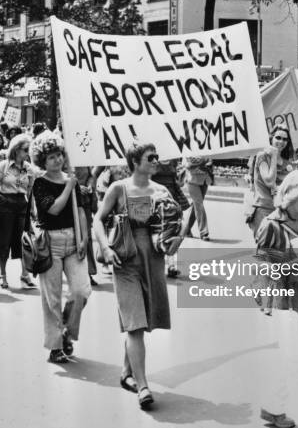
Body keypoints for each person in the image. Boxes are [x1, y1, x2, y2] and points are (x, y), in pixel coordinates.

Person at [94, 143, 184, 410]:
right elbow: (98, 219)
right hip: (125, 258)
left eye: (157, 156)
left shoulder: (162, 190)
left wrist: (174, 239)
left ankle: (126, 371)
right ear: (135, 162)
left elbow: (175, 222)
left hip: (153, 259)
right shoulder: (118, 188)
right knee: (134, 323)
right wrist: (106, 248)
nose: (156, 161)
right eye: (150, 157)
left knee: (143, 320)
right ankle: (143, 386)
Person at [255, 170, 298, 428]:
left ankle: (273, 407)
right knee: (294, 358)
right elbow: (262, 265)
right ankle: (285, 409)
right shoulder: (270, 224)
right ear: (288, 197)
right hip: (283, 297)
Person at [29, 131, 91, 364]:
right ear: (42, 161)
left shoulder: (70, 179)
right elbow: (53, 209)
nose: (57, 160)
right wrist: (69, 186)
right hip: (51, 242)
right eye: (51, 157)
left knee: (81, 291)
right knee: (52, 298)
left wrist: (84, 238)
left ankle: (66, 332)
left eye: (59, 155)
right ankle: (55, 347)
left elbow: (82, 211)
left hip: (73, 240)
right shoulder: (40, 183)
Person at [0, 134, 36, 289]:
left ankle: (25, 274)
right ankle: (2, 274)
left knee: (24, 241)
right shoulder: (3, 166)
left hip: (21, 204)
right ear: (16, 150)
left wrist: (32, 209)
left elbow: (30, 191)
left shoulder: (29, 168)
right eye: (25, 150)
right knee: (3, 241)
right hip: (5, 204)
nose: (27, 153)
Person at [248, 125, 294, 238]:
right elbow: (269, 181)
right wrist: (273, 156)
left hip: (282, 210)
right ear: (271, 138)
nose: (281, 141)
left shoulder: (287, 163)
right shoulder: (262, 156)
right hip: (264, 208)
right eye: (278, 137)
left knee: (280, 248)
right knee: (265, 247)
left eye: (285, 139)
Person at [151, 158, 190, 277]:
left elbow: (177, 178)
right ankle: (157, 264)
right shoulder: (152, 158)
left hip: (171, 195)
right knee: (156, 229)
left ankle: (172, 265)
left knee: (173, 229)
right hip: (156, 196)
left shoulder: (173, 156)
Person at [183, 156, 213, 240]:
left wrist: (198, 163)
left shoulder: (206, 149)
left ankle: (185, 229)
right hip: (192, 181)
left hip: (204, 181)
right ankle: (204, 232)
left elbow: (209, 164)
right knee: (199, 204)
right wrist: (203, 162)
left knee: (196, 205)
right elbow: (189, 165)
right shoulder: (188, 150)